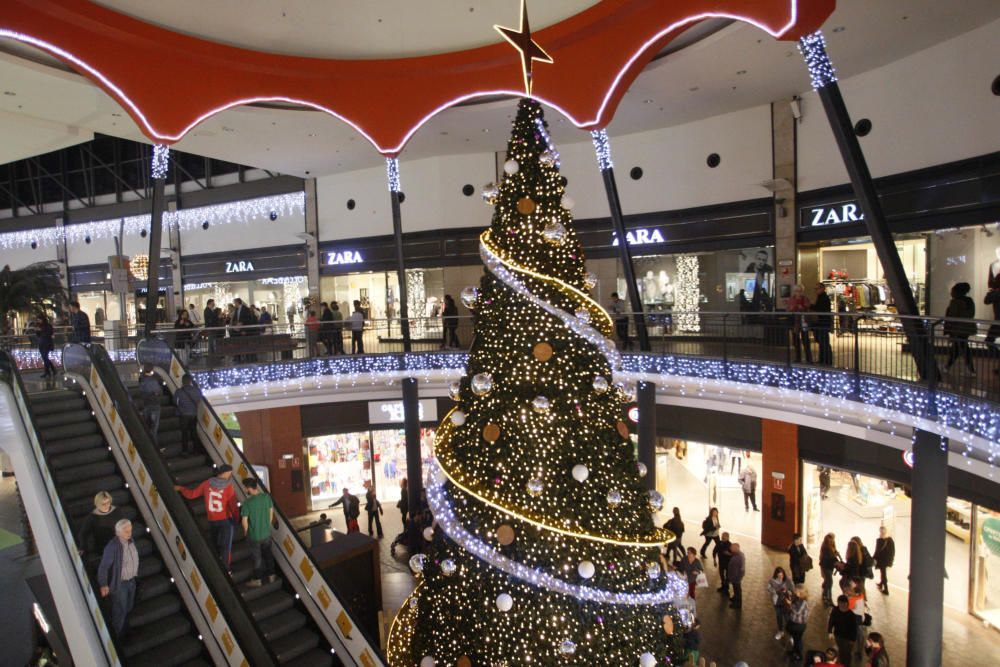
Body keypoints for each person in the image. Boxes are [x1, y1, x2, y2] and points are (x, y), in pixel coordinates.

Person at [175, 465, 238, 567]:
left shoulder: (207, 483)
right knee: (226, 547)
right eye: (230, 473)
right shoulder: (228, 487)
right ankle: (226, 569)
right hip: (226, 521)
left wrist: (181, 489)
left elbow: (192, 494)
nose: (230, 475)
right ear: (225, 473)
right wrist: (236, 519)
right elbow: (233, 506)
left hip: (212, 520)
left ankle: (216, 564)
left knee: (215, 544)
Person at [97, 519, 139, 638]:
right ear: (118, 532)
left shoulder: (131, 541)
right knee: (120, 610)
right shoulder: (113, 547)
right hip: (120, 584)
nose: (129, 533)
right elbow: (104, 566)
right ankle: (115, 636)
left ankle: (125, 630)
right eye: (126, 531)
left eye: (130, 530)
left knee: (128, 607)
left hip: (131, 581)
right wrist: (104, 584)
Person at [240, 478, 275, 587]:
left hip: (255, 536)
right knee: (268, 554)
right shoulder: (266, 497)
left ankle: (258, 579)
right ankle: (272, 576)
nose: (245, 489)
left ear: (249, 488)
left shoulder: (247, 503)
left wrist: (245, 531)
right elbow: (271, 512)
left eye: (245, 488)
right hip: (267, 534)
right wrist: (267, 525)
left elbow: (244, 520)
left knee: (257, 558)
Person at [78, 491, 126, 561]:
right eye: (103, 504)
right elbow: (83, 533)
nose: (107, 506)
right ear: (97, 504)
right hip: (102, 547)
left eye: (108, 503)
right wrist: (82, 547)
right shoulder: (92, 517)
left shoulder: (117, 511)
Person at [944, 282, 977, 375]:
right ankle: (949, 366)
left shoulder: (956, 302)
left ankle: (970, 369)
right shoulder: (969, 301)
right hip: (966, 329)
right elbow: (971, 314)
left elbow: (952, 316)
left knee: (960, 348)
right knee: (959, 348)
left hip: (957, 329)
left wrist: (949, 329)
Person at [174, 373, 202, 456]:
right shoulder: (197, 390)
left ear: (182, 381)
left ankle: (185, 451)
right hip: (193, 414)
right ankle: (196, 450)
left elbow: (175, 402)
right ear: (191, 381)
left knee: (184, 433)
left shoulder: (179, 391)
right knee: (194, 432)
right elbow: (199, 400)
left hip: (183, 415)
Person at [828, 594, 860, 663]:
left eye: (843, 603)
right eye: (840, 603)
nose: (841, 605)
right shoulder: (835, 610)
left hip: (847, 638)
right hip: (838, 635)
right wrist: (830, 631)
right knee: (841, 650)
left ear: (847, 603)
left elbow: (854, 628)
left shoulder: (851, 615)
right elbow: (831, 621)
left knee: (847, 653)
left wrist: (853, 639)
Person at [787, 284, 814, 364]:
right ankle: (798, 358)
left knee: (806, 340)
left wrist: (803, 307)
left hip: (803, 321)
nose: (798, 293)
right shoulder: (792, 299)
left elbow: (808, 306)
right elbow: (788, 309)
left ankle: (809, 358)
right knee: (796, 341)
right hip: (795, 322)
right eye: (796, 291)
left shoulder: (805, 299)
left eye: (800, 291)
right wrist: (793, 308)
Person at [138, 364, 162, 444]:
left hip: (147, 405)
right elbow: (159, 392)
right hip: (155, 405)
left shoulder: (142, 380)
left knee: (147, 425)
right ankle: (154, 443)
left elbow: (141, 393)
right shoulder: (154, 380)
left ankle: (147, 443)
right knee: (154, 427)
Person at [786, 584, 810, 662]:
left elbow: (797, 611)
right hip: (794, 622)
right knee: (795, 639)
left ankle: (799, 655)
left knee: (798, 640)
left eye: (796, 590)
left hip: (799, 625)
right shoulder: (797, 598)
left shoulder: (804, 602)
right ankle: (794, 651)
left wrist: (790, 604)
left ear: (801, 592)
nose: (794, 591)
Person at [768, 566, 793, 640]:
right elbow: (769, 588)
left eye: (781, 575)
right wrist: (775, 591)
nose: (780, 577)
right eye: (778, 575)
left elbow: (792, 590)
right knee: (779, 617)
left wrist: (787, 591)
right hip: (777, 602)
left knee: (787, 618)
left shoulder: (788, 581)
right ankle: (780, 631)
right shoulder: (772, 581)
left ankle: (791, 634)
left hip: (786, 602)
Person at [812, 283, 833, 365]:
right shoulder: (821, 297)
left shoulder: (824, 298)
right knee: (822, 342)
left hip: (823, 323)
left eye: (817, 289)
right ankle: (823, 359)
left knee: (824, 342)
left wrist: (811, 307)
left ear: (822, 289)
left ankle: (826, 360)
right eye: (815, 289)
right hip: (821, 323)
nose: (816, 291)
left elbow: (820, 309)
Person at [820, 533, 843, 606]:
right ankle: (828, 599)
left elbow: (834, 554)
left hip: (829, 567)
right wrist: (836, 560)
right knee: (830, 582)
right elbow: (829, 558)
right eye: (831, 539)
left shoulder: (831, 546)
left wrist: (836, 555)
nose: (833, 540)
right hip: (826, 567)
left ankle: (825, 595)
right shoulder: (825, 548)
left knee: (828, 581)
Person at [873, 526, 895, 595]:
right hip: (886, 560)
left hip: (881, 560)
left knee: (883, 573)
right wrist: (891, 559)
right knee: (883, 572)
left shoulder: (879, 540)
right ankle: (881, 584)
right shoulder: (890, 539)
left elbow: (877, 551)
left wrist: (873, 558)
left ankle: (886, 589)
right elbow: (893, 551)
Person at [36, 314, 56, 378]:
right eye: (38, 319)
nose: (38, 321)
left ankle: (47, 372)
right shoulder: (39, 326)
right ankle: (52, 370)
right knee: (45, 358)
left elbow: (49, 334)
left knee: (45, 357)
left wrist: (41, 331)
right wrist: (37, 331)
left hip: (47, 343)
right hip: (41, 343)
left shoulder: (48, 326)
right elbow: (38, 335)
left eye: (39, 319)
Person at [727, 542, 746, 609]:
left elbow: (734, 572)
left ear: (735, 549)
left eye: (731, 548)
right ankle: (735, 598)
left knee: (737, 591)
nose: (730, 549)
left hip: (736, 578)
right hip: (738, 576)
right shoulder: (741, 554)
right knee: (737, 590)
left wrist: (730, 579)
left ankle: (737, 604)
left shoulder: (736, 559)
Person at [714, 531, 733, 596]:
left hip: (728, 564)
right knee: (722, 575)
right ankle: (723, 587)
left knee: (727, 577)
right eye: (722, 537)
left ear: (728, 537)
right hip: (721, 563)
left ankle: (726, 589)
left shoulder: (730, 545)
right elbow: (714, 551)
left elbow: (734, 555)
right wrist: (714, 560)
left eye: (724, 537)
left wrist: (729, 554)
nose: (722, 538)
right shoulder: (719, 543)